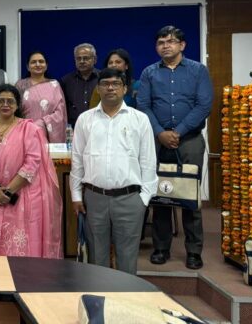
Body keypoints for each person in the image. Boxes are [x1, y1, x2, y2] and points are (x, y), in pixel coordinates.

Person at [137, 25, 213, 270]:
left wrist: (178, 131)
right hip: (157, 141)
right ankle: (161, 248)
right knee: (161, 194)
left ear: (182, 45)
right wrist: (160, 133)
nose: (165, 46)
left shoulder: (198, 70)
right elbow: (143, 105)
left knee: (190, 196)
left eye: (170, 41)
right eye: (161, 42)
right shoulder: (149, 72)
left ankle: (194, 251)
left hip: (189, 140)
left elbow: (204, 105)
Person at [70, 69, 158, 275]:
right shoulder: (85, 119)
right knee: (96, 257)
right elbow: (77, 160)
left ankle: (125, 296)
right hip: (94, 198)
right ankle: (98, 295)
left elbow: (148, 161)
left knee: (127, 259)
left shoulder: (139, 119)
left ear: (125, 88)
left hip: (130, 199)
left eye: (116, 83)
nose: (110, 87)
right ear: (98, 89)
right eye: (105, 83)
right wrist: (76, 195)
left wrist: (144, 199)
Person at [0, 84, 62, 258]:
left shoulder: (30, 129)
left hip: (22, 195)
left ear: (17, 105)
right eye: (1, 101)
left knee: (20, 246)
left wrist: (7, 192)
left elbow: (32, 163)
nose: (5, 104)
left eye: (10, 101)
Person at [15, 51, 67, 143]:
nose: (37, 64)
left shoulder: (54, 85)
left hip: (48, 136)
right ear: (28, 67)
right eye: (33, 62)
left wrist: (41, 124)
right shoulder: (20, 85)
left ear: (46, 66)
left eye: (41, 61)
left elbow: (60, 114)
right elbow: (14, 110)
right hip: (25, 133)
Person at [60, 43, 99, 127]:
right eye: (78, 58)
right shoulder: (66, 81)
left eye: (86, 58)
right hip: (75, 127)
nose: (82, 61)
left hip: (98, 125)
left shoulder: (103, 78)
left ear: (95, 59)